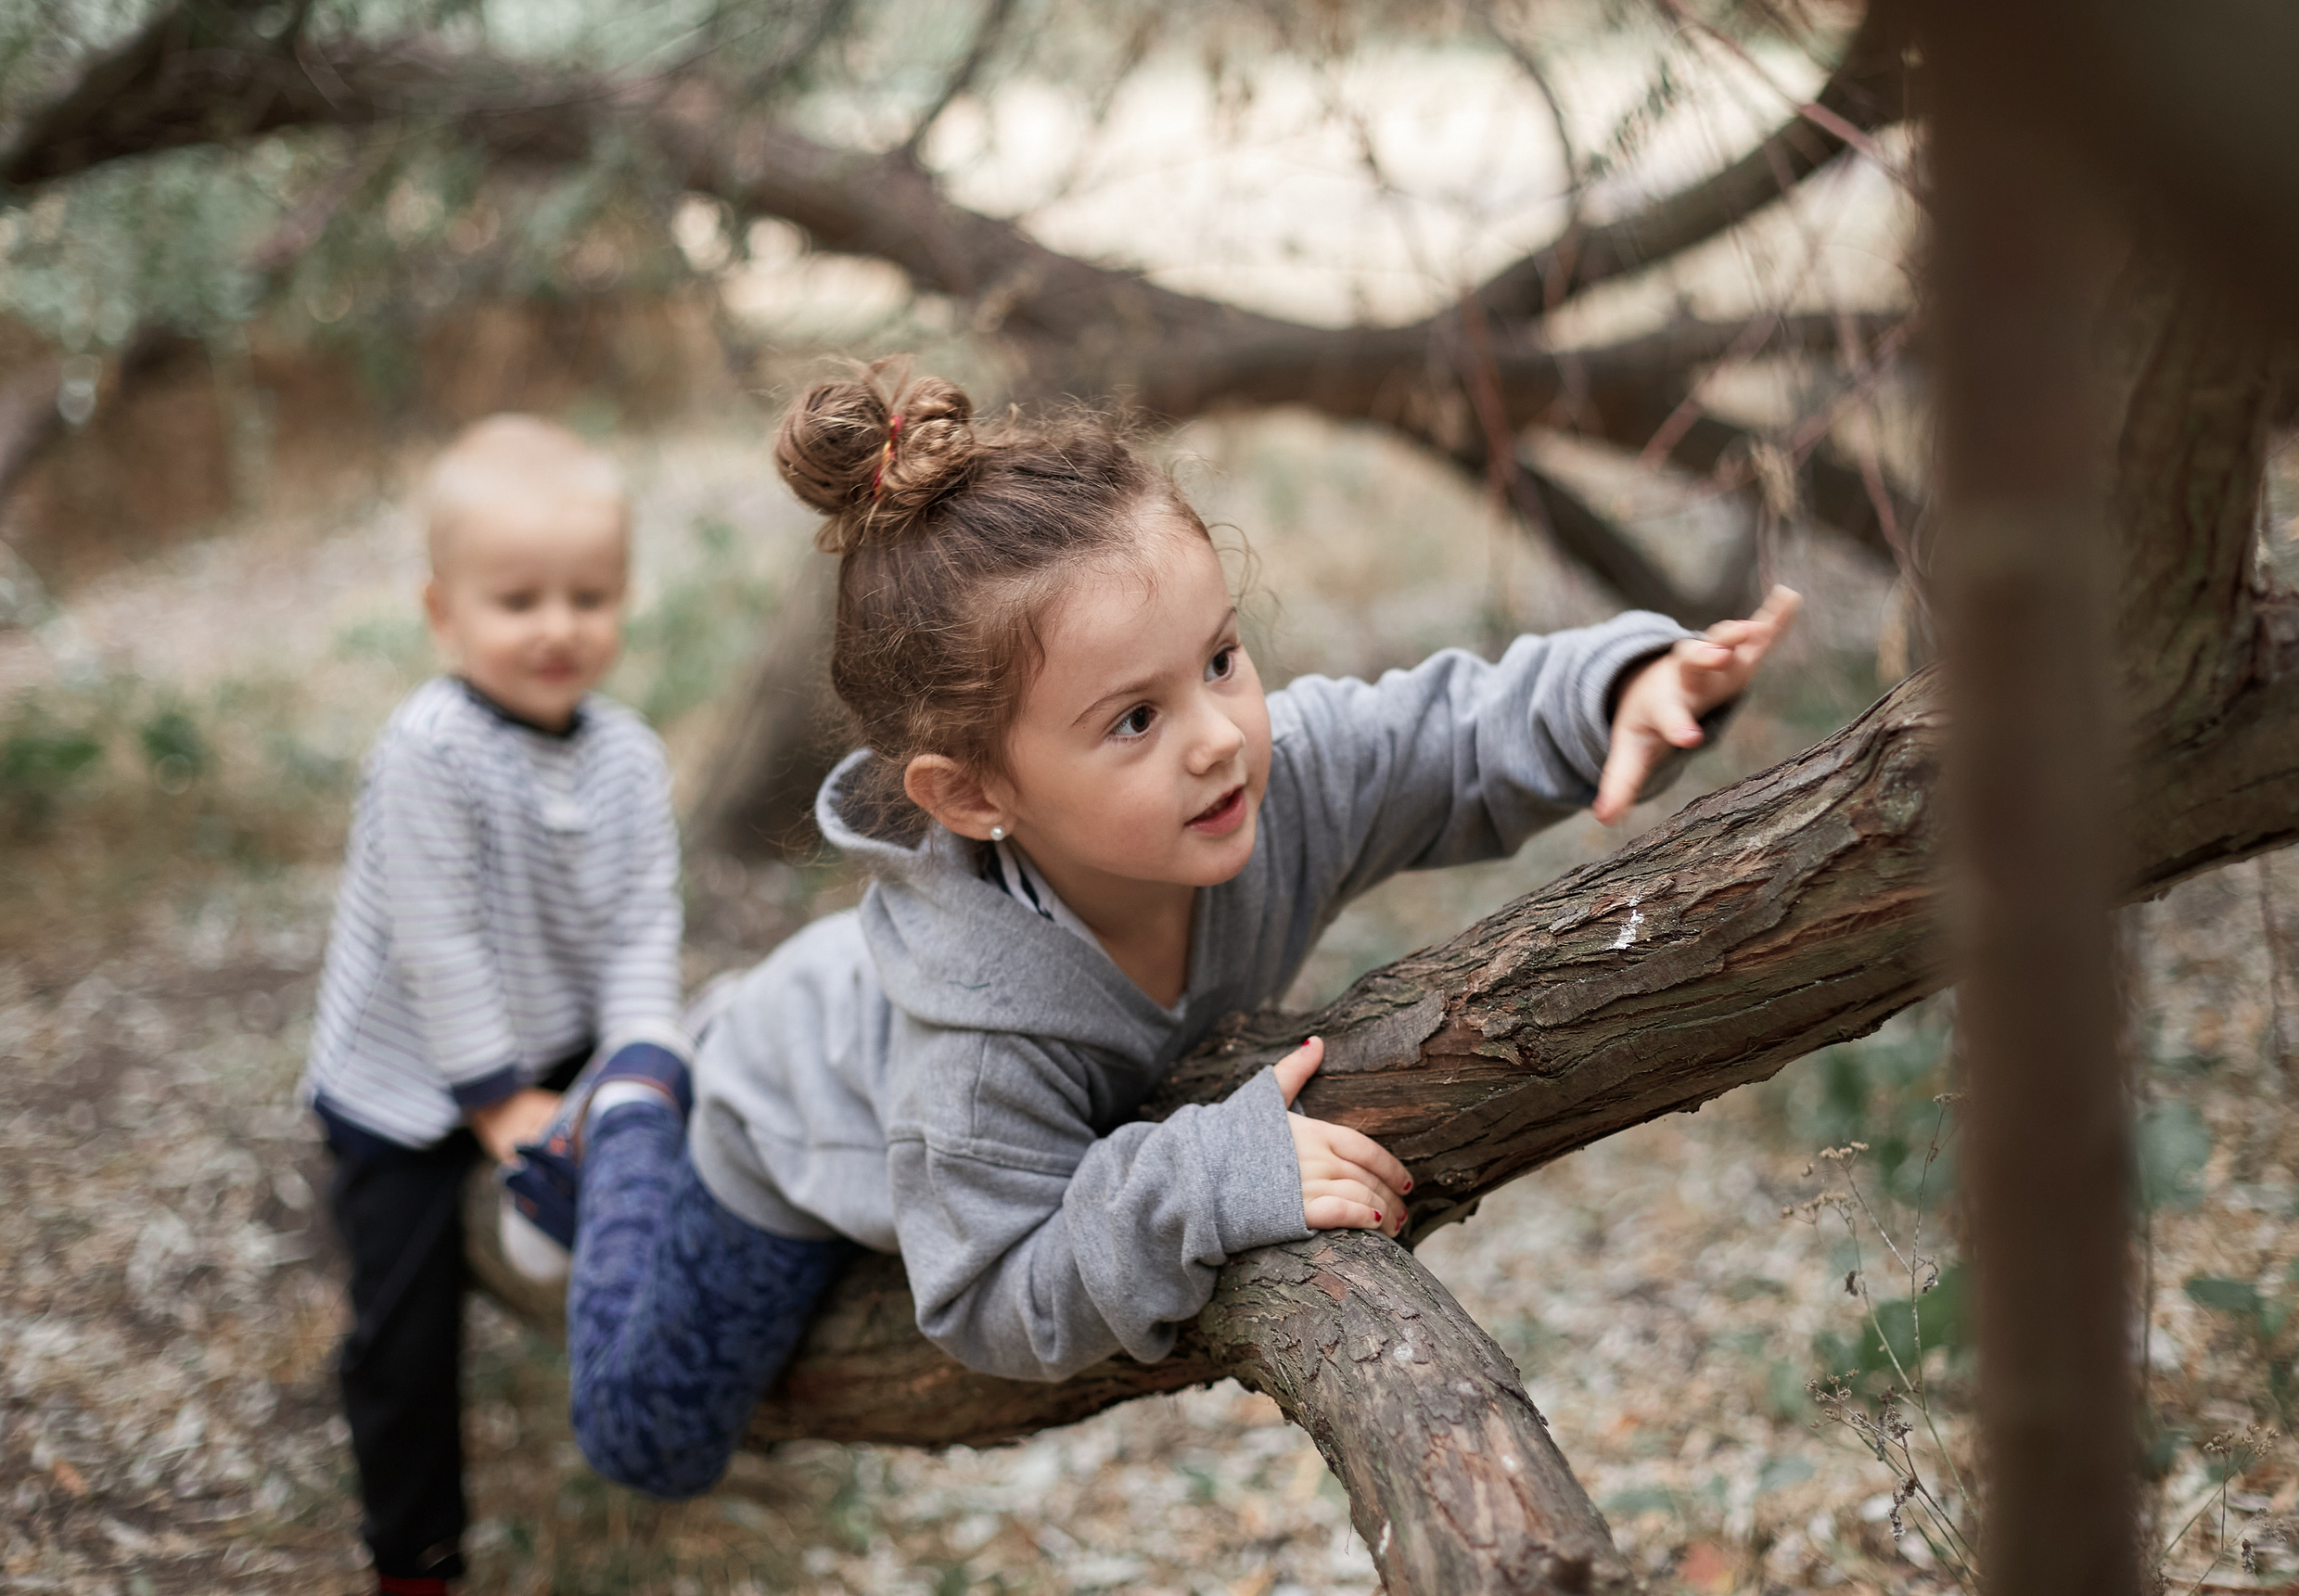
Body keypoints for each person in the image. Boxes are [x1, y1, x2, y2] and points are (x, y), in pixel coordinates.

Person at [516, 364, 1796, 1500]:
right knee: (653, 1437)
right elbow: (986, 1294)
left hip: (863, 1051)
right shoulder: (979, 1033)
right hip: (768, 1114)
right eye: (1133, 718)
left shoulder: (1253, 781)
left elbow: (1444, 733)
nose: (1215, 734)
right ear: (974, 794)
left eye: (1224, 658)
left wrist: (1621, 683)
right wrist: (1208, 1178)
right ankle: (628, 1114)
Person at [302, 415, 686, 1595]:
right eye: (518, 600)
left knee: (663, 1151)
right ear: (443, 612)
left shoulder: (624, 754)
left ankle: (650, 1359)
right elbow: (440, 946)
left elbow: (640, 923)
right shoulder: (430, 749)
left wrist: (634, 1067)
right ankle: (414, 1554)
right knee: (401, 1340)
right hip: (412, 1074)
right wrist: (497, 1105)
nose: (559, 627)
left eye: (589, 595)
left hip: (555, 1029)